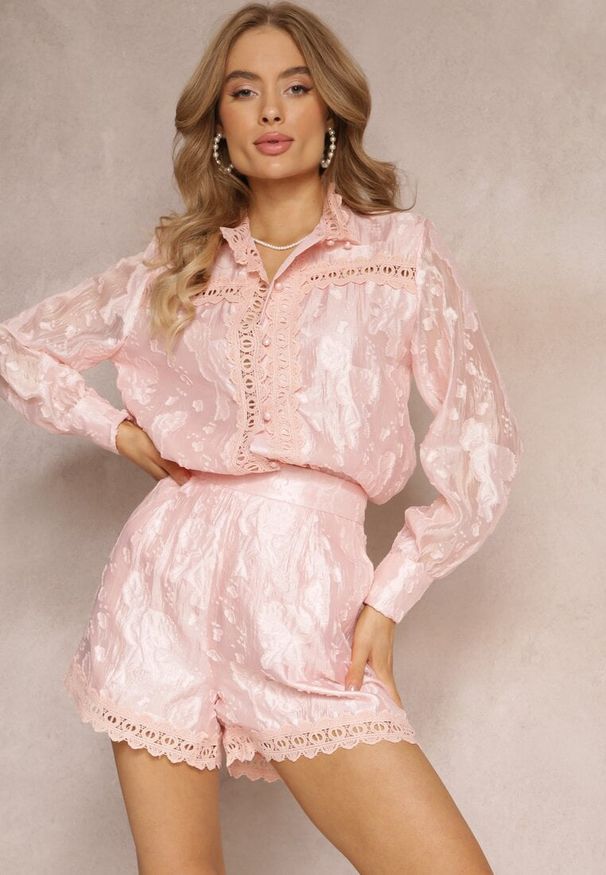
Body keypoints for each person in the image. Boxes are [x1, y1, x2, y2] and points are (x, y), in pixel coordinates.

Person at [0, 3, 524, 873]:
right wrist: (117, 431)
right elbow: (18, 347)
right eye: (244, 92)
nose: (271, 110)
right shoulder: (176, 266)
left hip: (305, 592)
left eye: (296, 87)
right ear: (219, 124)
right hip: (163, 581)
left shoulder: (399, 257)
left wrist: (389, 595)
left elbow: (482, 446)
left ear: (331, 111)